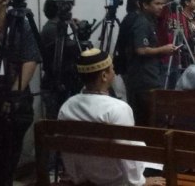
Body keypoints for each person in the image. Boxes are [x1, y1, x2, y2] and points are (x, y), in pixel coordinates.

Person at [58, 49, 165, 186]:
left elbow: (67, 151)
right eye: (112, 69)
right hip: (117, 180)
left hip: (85, 177)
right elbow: (126, 152)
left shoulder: (67, 106)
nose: (114, 73)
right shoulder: (117, 108)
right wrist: (140, 183)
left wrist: (77, 179)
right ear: (104, 75)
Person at [0, 0, 42, 186]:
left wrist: (13, 95)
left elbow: (30, 59)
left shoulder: (19, 24)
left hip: (13, 97)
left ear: (4, 0)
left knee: (6, 159)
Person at [125, 0, 177, 126]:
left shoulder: (150, 20)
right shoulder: (141, 22)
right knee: (150, 118)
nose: (161, 7)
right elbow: (141, 50)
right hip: (143, 79)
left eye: (162, 4)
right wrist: (163, 49)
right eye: (157, 4)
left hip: (151, 74)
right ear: (145, 5)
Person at [40, 0, 82, 119]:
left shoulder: (53, 26)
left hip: (61, 81)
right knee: (56, 122)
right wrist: (78, 32)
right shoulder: (52, 29)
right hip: (56, 83)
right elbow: (73, 51)